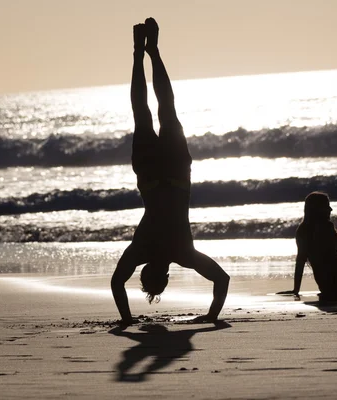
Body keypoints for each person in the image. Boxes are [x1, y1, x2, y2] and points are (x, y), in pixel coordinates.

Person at [111, 18, 229, 325]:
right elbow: (116, 283)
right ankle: (144, 52)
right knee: (147, 113)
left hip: (174, 175)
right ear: (150, 271)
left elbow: (222, 280)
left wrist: (209, 317)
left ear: (164, 274)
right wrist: (125, 321)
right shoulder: (143, 252)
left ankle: (150, 52)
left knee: (162, 111)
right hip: (153, 177)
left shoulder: (179, 253)